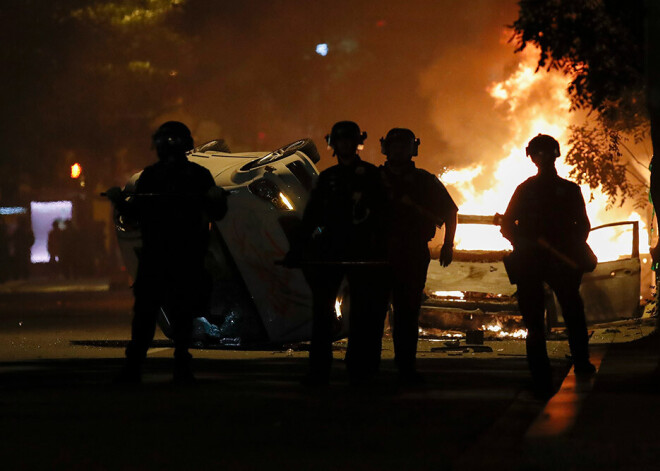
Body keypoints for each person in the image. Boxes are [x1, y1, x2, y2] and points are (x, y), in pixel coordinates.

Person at [106, 121, 227, 384]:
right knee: (155, 315)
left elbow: (217, 212)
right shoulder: (162, 176)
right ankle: (148, 366)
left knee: (169, 315)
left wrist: (217, 198)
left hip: (178, 257)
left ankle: (157, 366)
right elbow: (136, 213)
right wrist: (119, 200)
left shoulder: (193, 176)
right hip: (167, 258)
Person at [285, 121, 390, 386]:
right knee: (322, 313)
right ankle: (319, 370)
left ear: (357, 143)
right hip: (330, 250)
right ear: (334, 144)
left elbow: (384, 214)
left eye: (349, 140)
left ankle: (358, 368)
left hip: (362, 250)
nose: (344, 145)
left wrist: (383, 247)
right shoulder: (328, 178)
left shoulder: (371, 175)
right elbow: (311, 216)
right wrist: (297, 248)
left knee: (361, 313)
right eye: (340, 140)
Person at [501, 134, 596, 399]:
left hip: (560, 261)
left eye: (546, 153)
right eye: (538, 154)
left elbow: (583, 226)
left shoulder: (567, 189)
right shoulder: (526, 189)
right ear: (532, 157)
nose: (542, 159)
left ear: (555, 155)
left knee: (572, 313)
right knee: (536, 321)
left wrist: (568, 247)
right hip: (533, 262)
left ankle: (578, 363)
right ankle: (543, 375)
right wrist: (524, 245)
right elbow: (508, 226)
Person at [379, 128, 457, 384]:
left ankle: (405, 367)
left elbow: (450, 211)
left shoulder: (424, 180)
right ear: (386, 148)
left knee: (407, 312)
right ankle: (367, 366)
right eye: (395, 146)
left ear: (413, 149)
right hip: (378, 252)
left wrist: (448, 245)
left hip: (412, 251)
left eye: (404, 146)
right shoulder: (374, 178)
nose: (399, 150)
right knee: (372, 312)